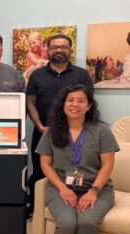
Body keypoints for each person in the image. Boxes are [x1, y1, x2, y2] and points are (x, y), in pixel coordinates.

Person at [36, 84, 119, 234]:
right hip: (59, 187)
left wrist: (93, 191)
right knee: (67, 223)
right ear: (63, 104)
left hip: (98, 188)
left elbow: (108, 165)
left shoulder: (102, 131)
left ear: (89, 106)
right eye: (70, 100)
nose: (75, 104)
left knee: (87, 221)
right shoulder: (51, 132)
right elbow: (45, 164)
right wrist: (63, 188)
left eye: (81, 100)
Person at [26, 34, 94, 218]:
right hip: (44, 132)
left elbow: (88, 102)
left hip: (74, 134)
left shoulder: (81, 74)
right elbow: (30, 101)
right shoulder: (37, 74)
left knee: (71, 169)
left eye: (63, 47)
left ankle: (69, 205)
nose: (59, 50)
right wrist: (39, 125)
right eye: (54, 47)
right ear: (47, 50)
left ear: (70, 51)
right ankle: (35, 207)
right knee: (39, 171)